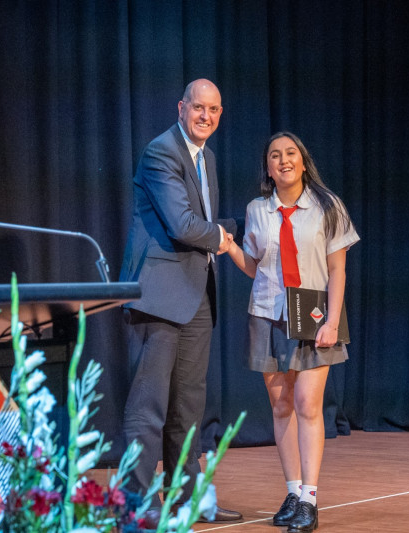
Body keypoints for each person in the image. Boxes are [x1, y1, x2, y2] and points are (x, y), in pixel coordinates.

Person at [118, 79, 241, 522]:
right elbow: (184, 225)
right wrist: (229, 236)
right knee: (148, 406)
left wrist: (236, 229)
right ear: (181, 107)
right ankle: (136, 507)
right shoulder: (161, 151)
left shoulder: (207, 157)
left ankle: (187, 499)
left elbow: (200, 224)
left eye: (213, 109)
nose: (205, 116)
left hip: (196, 295)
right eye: (198, 107)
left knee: (189, 406)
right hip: (158, 296)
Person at [225, 132, 359, 532]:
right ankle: (293, 491)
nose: (283, 160)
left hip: (314, 314)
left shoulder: (327, 206)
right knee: (281, 405)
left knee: (307, 404)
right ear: (268, 168)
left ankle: (310, 500)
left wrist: (332, 321)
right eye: (274, 156)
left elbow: (337, 269)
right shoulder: (257, 210)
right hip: (268, 314)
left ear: (302, 162)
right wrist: (230, 248)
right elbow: (255, 267)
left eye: (290, 154)